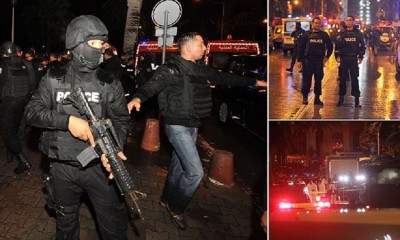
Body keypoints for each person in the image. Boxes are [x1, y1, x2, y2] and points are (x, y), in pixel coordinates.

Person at [127, 32, 267, 230]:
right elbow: (151, 86)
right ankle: (176, 208)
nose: (204, 48)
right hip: (176, 126)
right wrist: (137, 98)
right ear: (189, 47)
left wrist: (253, 82)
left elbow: (222, 77)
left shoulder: (200, 68)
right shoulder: (171, 69)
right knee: (194, 172)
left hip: (192, 125)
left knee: (178, 164)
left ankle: (166, 199)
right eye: (201, 44)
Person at [24, 15, 130, 239]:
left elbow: (121, 120)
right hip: (62, 167)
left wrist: (113, 149)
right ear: (78, 43)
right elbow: (32, 113)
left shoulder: (109, 82)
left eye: (103, 44)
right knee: (66, 225)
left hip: (100, 168)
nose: (101, 49)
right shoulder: (53, 78)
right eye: (95, 43)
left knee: (114, 228)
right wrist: (67, 121)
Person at [0, 41, 35, 173]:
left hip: (8, 104)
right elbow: (32, 83)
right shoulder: (26, 63)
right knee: (14, 127)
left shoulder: (3, 64)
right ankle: (10, 153)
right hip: (23, 102)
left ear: (3, 53)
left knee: (7, 132)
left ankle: (22, 161)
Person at [297, 17, 333, 105]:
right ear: (312, 24)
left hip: (319, 61)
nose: (317, 24)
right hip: (308, 61)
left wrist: (326, 57)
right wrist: (299, 60)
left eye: (318, 23)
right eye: (315, 23)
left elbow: (330, 46)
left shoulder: (324, 35)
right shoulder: (306, 35)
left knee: (318, 80)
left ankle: (317, 98)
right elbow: (301, 48)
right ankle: (305, 97)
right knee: (306, 80)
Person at [334, 16, 366, 107]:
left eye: (350, 20)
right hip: (344, 59)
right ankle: (341, 99)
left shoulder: (358, 33)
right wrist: (337, 56)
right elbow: (337, 46)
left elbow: (362, 46)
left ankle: (356, 101)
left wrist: (360, 56)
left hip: (353, 59)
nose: (348, 22)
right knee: (342, 79)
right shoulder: (342, 33)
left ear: (353, 22)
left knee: (355, 79)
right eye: (347, 20)